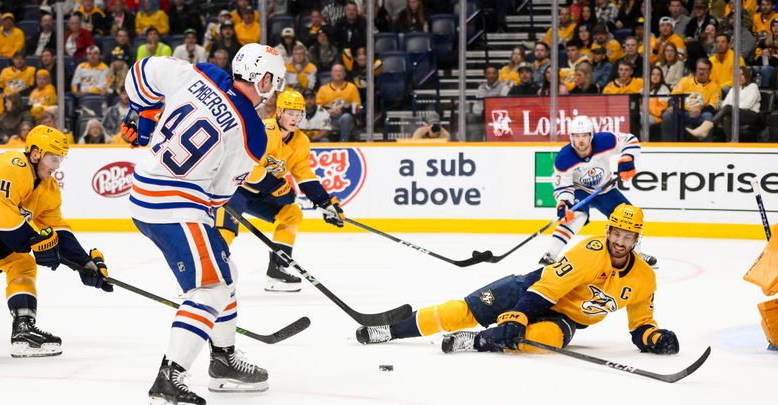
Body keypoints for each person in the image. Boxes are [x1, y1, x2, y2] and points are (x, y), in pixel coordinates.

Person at [120, 44, 286, 405]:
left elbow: (140, 73)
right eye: (273, 83)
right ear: (262, 79)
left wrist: (144, 117)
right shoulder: (253, 135)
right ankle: (167, 383)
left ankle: (223, 360)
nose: (272, 90)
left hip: (146, 190)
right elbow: (218, 195)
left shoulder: (202, 72)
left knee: (226, 274)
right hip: (174, 206)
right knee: (209, 289)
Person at [356, 204, 678, 359]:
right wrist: (520, 312)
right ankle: (391, 330)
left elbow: (640, 324)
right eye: (616, 233)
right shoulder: (590, 251)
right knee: (460, 312)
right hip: (531, 290)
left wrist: (654, 338)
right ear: (608, 231)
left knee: (541, 342)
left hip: (565, 318)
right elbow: (547, 288)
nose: (620, 241)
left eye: (628, 236)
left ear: (637, 239)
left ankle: (478, 341)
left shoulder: (643, 279)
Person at [0, 125, 112, 358]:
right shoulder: (9, 167)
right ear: (36, 153)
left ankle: (24, 330)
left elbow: (57, 228)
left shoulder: (48, 187)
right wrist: (35, 243)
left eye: (60, 159)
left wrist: (84, 263)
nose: (57, 166)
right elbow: (4, 223)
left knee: (22, 264)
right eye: (53, 158)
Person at [217, 88, 345, 292]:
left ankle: (278, 270)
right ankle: (210, 276)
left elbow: (304, 174)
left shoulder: (301, 141)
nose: (295, 118)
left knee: (292, 214)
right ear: (279, 112)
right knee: (226, 224)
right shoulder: (264, 130)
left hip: (261, 194)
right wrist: (275, 185)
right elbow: (248, 167)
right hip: (235, 188)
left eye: (298, 114)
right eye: (290, 113)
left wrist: (326, 202)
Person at [536, 115, 657, 267]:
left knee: (630, 217)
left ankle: (636, 255)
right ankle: (549, 256)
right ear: (571, 137)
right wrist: (563, 203)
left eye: (585, 135)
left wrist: (627, 158)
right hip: (579, 190)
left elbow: (630, 140)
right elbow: (563, 186)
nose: (581, 140)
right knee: (575, 216)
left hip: (605, 188)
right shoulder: (564, 158)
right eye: (577, 136)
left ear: (591, 135)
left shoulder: (604, 141)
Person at [687, 67, 761, 140]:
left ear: (747, 76)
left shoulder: (753, 87)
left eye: (742, 75)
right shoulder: (734, 88)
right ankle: (730, 142)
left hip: (751, 115)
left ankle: (704, 129)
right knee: (726, 118)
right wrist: (729, 109)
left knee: (728, 108)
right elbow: (725, 104)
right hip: (736, 114)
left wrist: (731, 108)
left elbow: (747, 105)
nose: (739, 77)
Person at [662, 57, 720, 141]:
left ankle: (707, 149)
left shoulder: (714, 86)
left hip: (700, 113)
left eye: (704, 69)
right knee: (667, 115)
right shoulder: (685, 81)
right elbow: (673, 97)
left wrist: (700, 111)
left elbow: (713, 106)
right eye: (699, 69)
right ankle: (668, 146)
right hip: (682, 111)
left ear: (710, 71)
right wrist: (672, 106)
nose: (701, 72)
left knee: (708, 116)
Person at [315, 63, 360, 142]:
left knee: (346, 117)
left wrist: (342, 110)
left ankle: (343, 143)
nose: (338, 73)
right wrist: (328, 111)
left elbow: (356, 107)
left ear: (344, 74)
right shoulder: (323, 89)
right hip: (328, 119)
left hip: (345, 119)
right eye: (335, 71)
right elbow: (317, 107)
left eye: (340, 71)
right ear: (331, 74)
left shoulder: (351, 87)